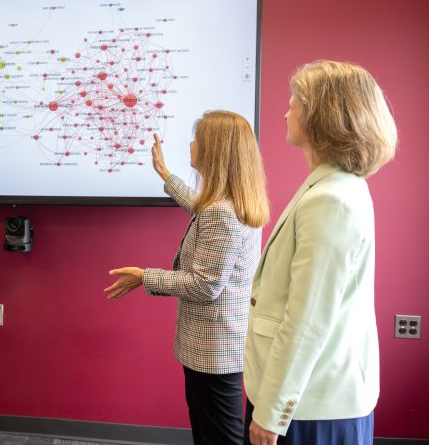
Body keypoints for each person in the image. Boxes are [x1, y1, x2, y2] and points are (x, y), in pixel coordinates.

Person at [244, 60, 398, 445]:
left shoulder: (331, 198)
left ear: (322, 116)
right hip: (308, 394)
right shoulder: (333, 186)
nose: (286, 111)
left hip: (308, 406)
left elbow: (307, 319)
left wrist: (271, 413)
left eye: (295, 102)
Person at [105, 110, 269, 445]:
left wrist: (144, 277)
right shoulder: (233, 202)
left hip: (213, 353)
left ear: (215, 151)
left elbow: (205, 285)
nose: (191, 144)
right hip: (224, 347)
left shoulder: (221, 212)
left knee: (217, 438)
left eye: (198, 138)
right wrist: (167, 175)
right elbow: (202, 211)